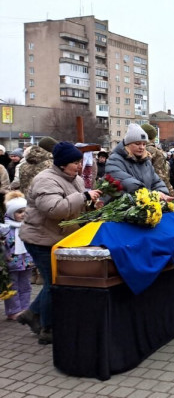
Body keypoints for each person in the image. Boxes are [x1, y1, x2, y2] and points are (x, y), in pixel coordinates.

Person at [17, 142, 103, 344]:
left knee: (55, 282)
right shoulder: (45, 180)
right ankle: (47, 329)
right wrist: (83, 196)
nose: (80, 166)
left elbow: (78, 206)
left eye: (80, 161)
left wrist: (92, 205)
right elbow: (55, 210)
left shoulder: (76, 179)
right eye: (75, 162)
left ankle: (32, 314)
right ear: (62, 164)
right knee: (54, 283)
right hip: (41, 240)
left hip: (59, 238)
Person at [105, 124, 173, 202]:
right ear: (128, 144)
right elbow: (128, 184)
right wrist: (153, 195)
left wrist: (162, 193)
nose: (142, 147)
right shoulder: (115, 160)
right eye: (137, 144)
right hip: (122, 206)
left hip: (145, 205)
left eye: (144, 144)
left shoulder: (146, 162)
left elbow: (157, 182)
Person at [1, 191, 33, 320]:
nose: (23, 214)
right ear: (11, 213)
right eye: (19, 212)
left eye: (25, 211)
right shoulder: (5, 228)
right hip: (11, 263)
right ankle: (13, 311)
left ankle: (24, 308)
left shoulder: (28, 226)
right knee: (12, 287)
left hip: (27, 261)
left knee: (26, 286)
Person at [141, 124, 174, 197]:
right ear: (152, 136)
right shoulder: (154, 151)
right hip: (157, 189)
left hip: (141, 190)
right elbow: (160, 174)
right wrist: (170, 192)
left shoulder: (134, 149)